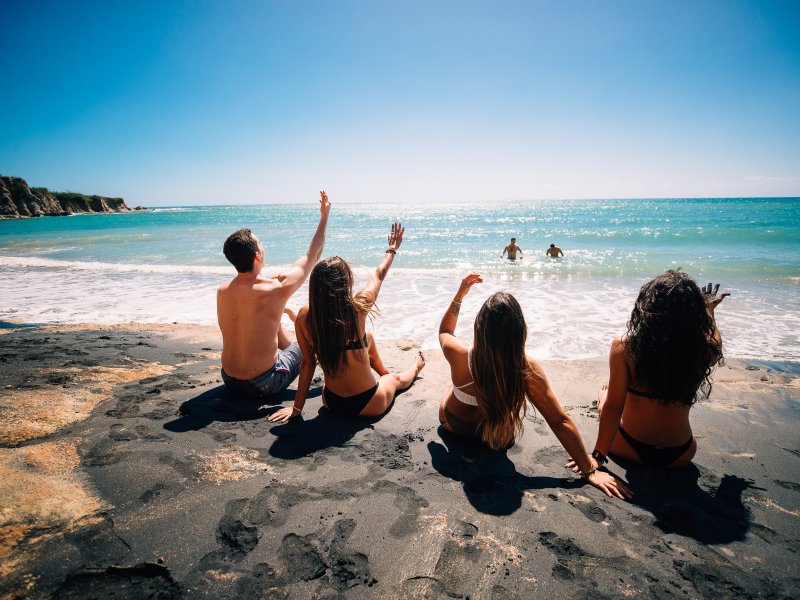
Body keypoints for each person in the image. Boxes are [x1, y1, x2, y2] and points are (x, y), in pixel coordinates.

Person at [438, 274, 632, 499]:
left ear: (479, 328)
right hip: (495, 437)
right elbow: (558, 421)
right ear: (520, 332)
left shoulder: (460, 355)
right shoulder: (526, 370)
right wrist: (589, 470)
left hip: (453, 427)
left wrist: (460, 294)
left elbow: (445, 331)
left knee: (451, 392)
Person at [571, 270, 728, 472]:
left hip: (628, 447)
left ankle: (602, 395)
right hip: (681, 454)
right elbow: (716, 340)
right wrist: (709, 311)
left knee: (606, 398)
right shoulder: (704, 350)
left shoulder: (624, 347)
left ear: (649, 307)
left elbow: (614, 408)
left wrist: (598, 456)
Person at [268, 222, 426, 422]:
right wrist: (392, 249)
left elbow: (308, 363)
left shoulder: (304, 316)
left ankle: (383, 371)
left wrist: (297, 408)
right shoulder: (357, 309)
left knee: (366, 337)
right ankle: (415, 367)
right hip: (369, 402)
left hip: (331, 402)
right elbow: (379, 274)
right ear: (345, 284)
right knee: (394, 380)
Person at [217, 191, 331, 400]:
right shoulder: (275, 289)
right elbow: (312, 255)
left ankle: (288, 350)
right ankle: (336, 376)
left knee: (271, 315)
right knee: (310, 340)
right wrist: (324, 218)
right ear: (257, 255)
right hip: (264, 384)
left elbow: (255, 288)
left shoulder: (222, 291)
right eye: (260, 243)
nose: (264, 245)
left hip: (229, 379)